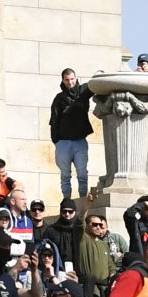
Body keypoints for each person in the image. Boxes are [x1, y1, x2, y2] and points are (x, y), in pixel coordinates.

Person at [48, 68, 95, 201]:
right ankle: (67, 201)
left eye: (72, 79)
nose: (70, 82)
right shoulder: (59, 98)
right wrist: (56, 141)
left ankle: (83, 199)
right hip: (63, 141)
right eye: (67, 80)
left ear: (76, 78)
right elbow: (54, 120)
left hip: (80, 140)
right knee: (65, 175)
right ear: (63, 80)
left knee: (82, 173)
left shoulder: (84, 91)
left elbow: (96, 84)